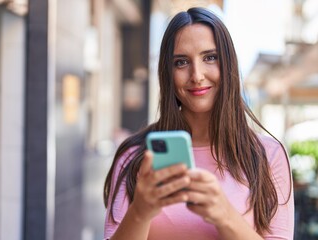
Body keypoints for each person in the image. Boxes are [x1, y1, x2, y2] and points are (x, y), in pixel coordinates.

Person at [103, 7, 294, 240]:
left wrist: (224, 215)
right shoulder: (134, 156)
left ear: (229, 63)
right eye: (181, 62)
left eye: (210, 58)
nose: (197, 75)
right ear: (167, 73)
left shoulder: (267, 155)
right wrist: (140, 212)